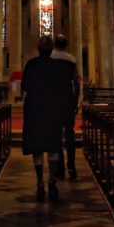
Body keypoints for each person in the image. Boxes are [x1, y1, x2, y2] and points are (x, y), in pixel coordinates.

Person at [21, 35, 75, 201]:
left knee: (37, 148)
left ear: (38, 49)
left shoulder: (31, 65)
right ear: (52, 49)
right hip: (52, 110)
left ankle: (39, 182)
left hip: (36, 109)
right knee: (53, 146)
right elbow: (63, 90)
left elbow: (25, 87)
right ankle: (51, 180)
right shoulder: (58, 67)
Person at [51, 33, 81, 179]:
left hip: (54, 100)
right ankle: (72, 167)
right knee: (70, 134)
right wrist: (75, 102)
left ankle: (60, 168)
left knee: (56, 135)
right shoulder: (72, 59)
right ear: (66, 45)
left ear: (54, 44)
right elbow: (76, 82)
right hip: (67, 99)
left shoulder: (49, 58)